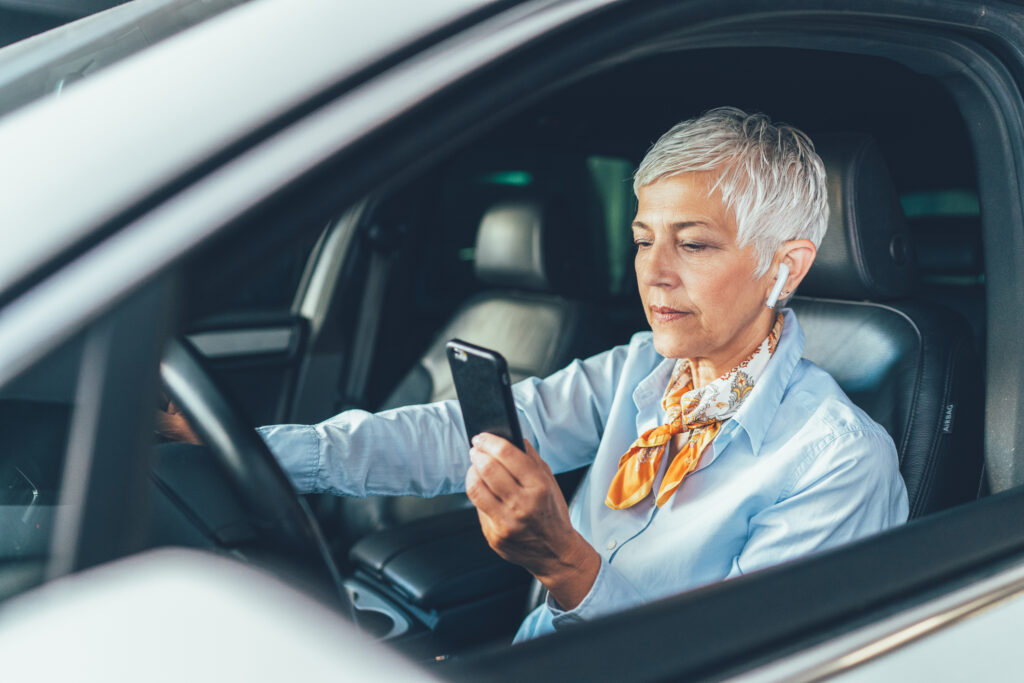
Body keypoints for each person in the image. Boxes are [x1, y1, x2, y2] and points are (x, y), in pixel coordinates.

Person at [159, 107, 909, 642]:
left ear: (786, 265)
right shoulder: (641, 368)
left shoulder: (839, 460)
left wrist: (568, 566)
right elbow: (451, 437)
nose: (655, 274)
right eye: (644, 239)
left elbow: (758, 661)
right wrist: (253, 449)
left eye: (696, 245)